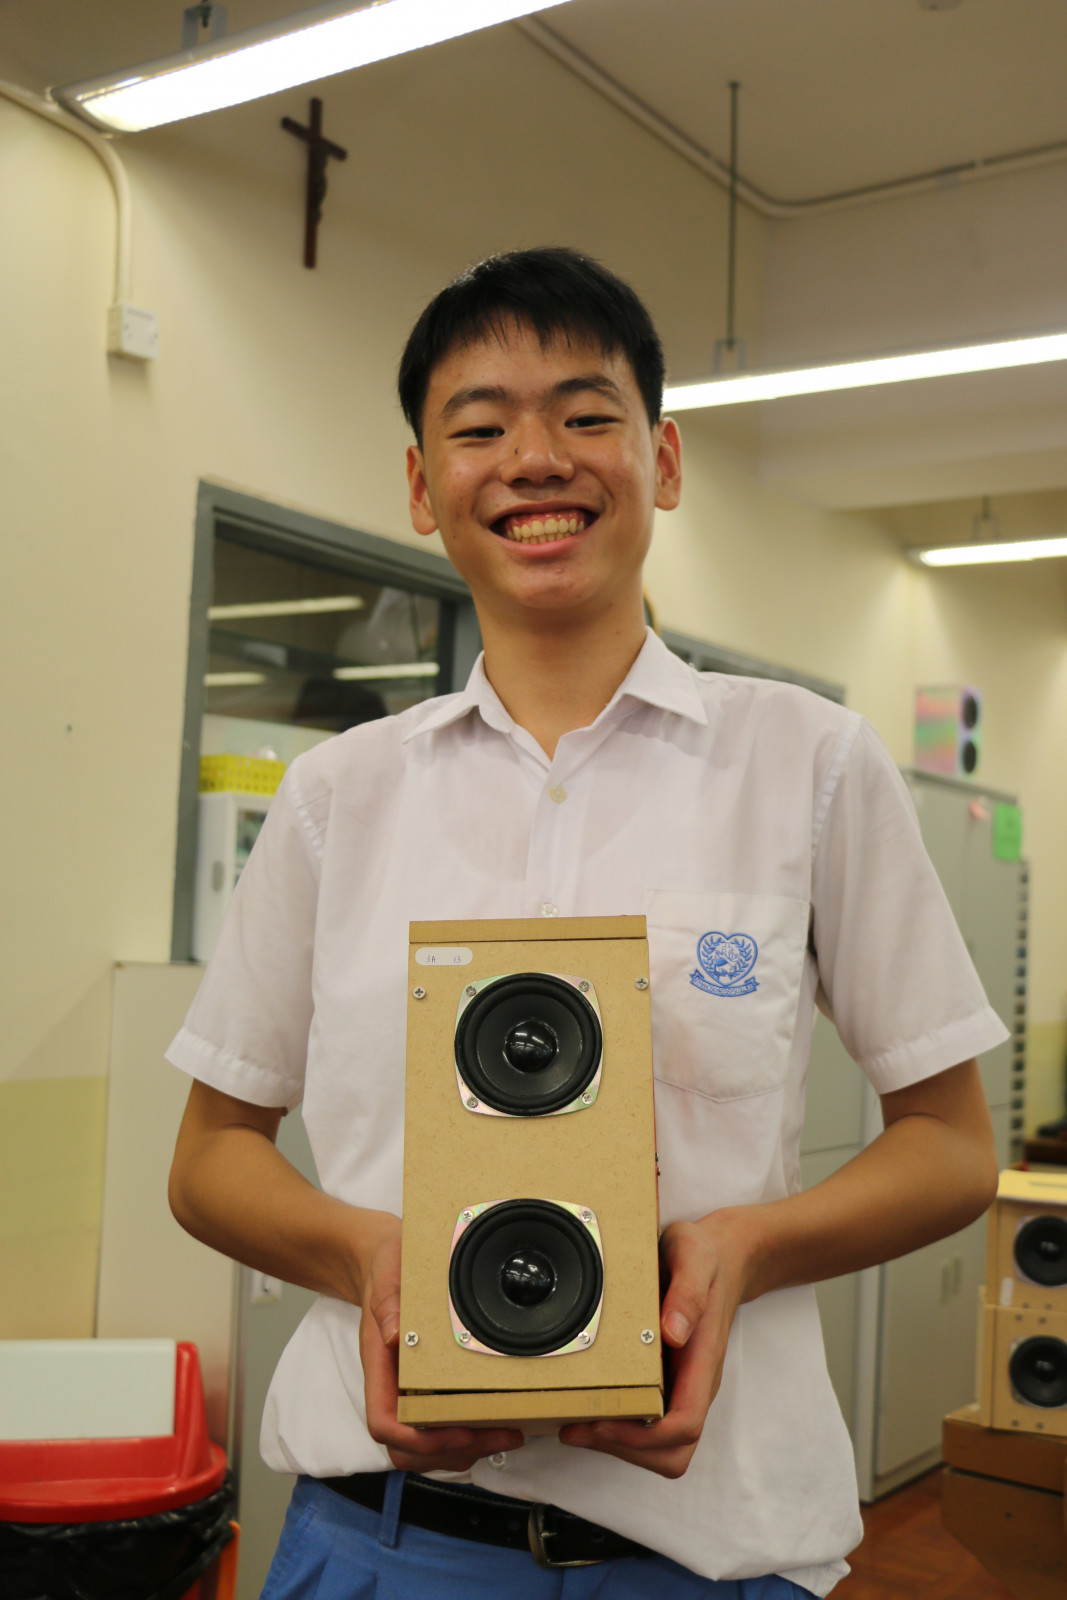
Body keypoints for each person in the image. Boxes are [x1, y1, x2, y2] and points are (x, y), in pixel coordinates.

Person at [167, 247, 1006, 1598]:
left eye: (585, 414)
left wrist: (741, 1249)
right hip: (386, 1540)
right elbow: (212, 1155)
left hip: (701, 1551)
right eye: (480, 428)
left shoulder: (807, 764)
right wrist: (371, 1258)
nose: (536, 460)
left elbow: (955, 1144)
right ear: (422, 485)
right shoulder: (339, 797)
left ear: (661, 460)